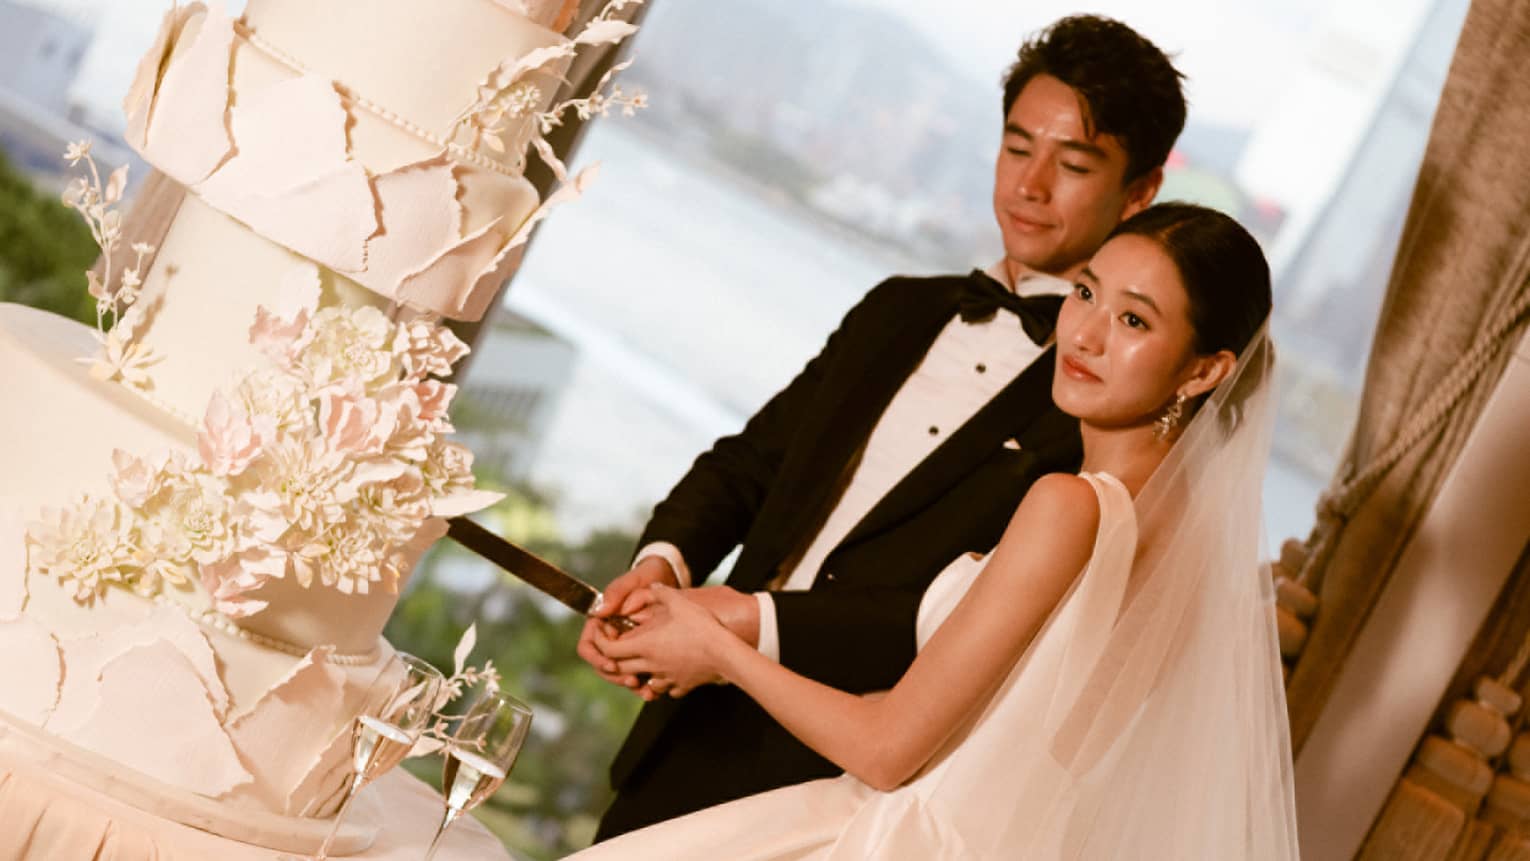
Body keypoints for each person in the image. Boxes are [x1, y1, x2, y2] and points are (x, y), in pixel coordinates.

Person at [578, 15, 1189, 838]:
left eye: (1073, 163)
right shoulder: (898, 305)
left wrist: (736, 625)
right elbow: (751, 464)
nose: (1029, 185)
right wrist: (663, 565)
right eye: (1017, 148)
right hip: (685, 727)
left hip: (848, 789)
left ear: (1140, 190)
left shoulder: (1099, 408)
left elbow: (956, 622)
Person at [573, 202, 1297, 859]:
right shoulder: (1198, 550)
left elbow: (887, 748)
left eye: (1134, 320)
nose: (1086, 333)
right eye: (1085, 292)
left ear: (1205, 370)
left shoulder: (1069, 504)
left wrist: (720, 650)